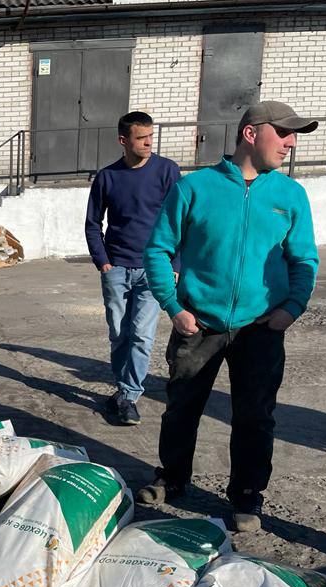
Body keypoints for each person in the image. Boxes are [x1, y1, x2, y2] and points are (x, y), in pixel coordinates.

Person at [138, 101, 319, 532]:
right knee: (182, 408)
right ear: (251, 134)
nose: (291, 143)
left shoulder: (290, 195)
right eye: (284, 133)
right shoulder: (195, 188)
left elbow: (304, 259)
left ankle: (247, 495)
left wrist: (292, 308)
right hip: (199, 323)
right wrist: (174, 307)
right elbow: (158, 249)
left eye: (294, 136)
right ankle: (172, 477)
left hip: (261, 327)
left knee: (255, 416)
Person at [85, 111, 182, 426]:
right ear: (123, 140)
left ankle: (129, 395)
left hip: (153, 269)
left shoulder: (167, 171)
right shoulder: (107, 177)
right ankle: (122, 388)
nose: (149, 143)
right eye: (142, 138)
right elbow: (93, 223)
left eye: (151, 136)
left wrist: (175, 263)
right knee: (119, 334)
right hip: (115, 268)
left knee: (141, 335)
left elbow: (182, 220)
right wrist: (103, 261)